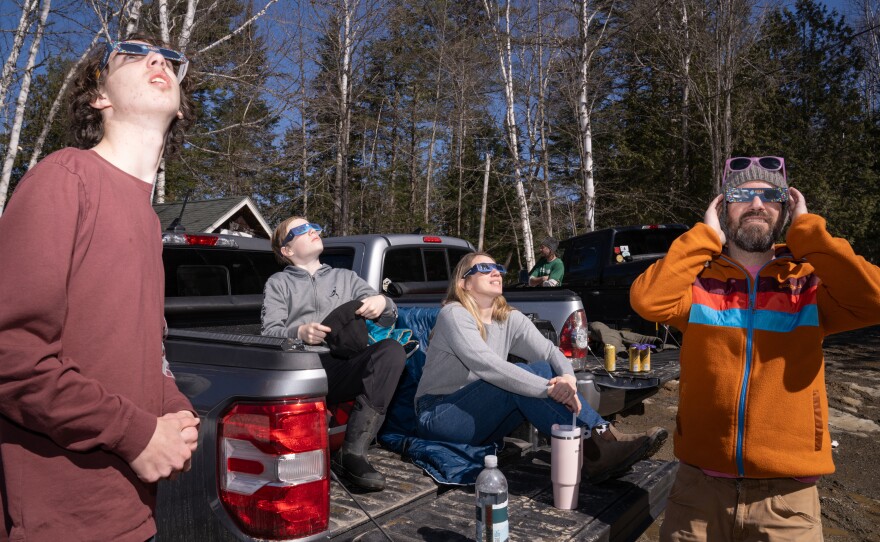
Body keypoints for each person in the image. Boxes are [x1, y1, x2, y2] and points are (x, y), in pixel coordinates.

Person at [0, 35, 199, 541]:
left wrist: (176, 410)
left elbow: (148, 350)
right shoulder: (65, 178)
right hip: (60, 523)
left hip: (132, 514)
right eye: (131, 55)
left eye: (172, 61)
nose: (160, 60)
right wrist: (136, 434)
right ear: (99, 97)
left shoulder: (148, 220)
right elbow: (11, 355)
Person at [630, 156, 880, 541]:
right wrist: (704, 239)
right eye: (742, 195)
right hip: (698, 493)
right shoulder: (699, 282)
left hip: (787, 501)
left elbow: (873, 299)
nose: (757, 204)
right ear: (721, 207)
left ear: (785, 208)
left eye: (771, 196)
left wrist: (810, 236)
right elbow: (648, 301)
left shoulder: (808, 282)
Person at [415, 252, 668, 483]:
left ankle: (599, 439)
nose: (496, 272)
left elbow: (549, 352)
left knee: (541, 369)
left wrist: (567, 379)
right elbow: (486, 365)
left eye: (498, 267)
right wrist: (548, 390)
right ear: (464, 283)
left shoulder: (509, 317)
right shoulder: (454, 314)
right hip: (439, 415)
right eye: (483, 268)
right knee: (527, 375)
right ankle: (596, 446)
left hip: (482, 418)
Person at [261, 217, 406, 491]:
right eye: (302, 229)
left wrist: (382, 302)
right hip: (303, 368)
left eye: (314, 225)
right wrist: (299, 332)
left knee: (392, 351)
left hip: (343, 365)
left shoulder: (347, 277)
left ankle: (353, 453)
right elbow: (269, 332)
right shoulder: (278, 284)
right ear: (287, 250)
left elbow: (388, 318)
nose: (313, 230)